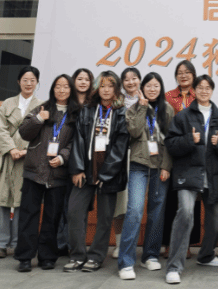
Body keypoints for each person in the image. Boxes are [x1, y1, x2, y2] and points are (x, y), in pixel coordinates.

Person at [164, 74, 218, 284]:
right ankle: (174, 267)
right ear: (194, 90)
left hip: (213, 174)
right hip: (188, 173)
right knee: (185, 213)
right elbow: (171, 144)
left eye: (207, 87)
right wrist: (189, 140)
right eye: (200, 87)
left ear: (212, 90)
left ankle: (206, 255)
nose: (203, 91)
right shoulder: (183, 116)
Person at [64, 71, 130, 273]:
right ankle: (77, 256)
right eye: (102, 86)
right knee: (74, 211)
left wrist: (106, 174)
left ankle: (95, 256)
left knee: (105, 218)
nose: (106, 90)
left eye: (110, 86)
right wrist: (77, 168)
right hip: (85, 171)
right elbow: (78, 140)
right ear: (96, 88)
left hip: (108, 175)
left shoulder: (121, 112)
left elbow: (120, 147)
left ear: (116, 89)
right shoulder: (87, 110)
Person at [14, 74, 79, 271]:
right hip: (34, 170)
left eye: (65, 86)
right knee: (28, 215)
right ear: (53, 89)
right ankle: (25, 257)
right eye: (58, 86)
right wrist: (38, 120)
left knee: (52, 216)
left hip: (58, 173)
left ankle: (47, 256)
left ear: (71, 90)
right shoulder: (42, 108)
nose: (61, 90)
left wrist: (63, 157)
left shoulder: (76, 113)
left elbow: (76, 142)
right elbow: (24, 133)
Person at [118, 72, 174, 279]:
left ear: (161, 88)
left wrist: (167, 166)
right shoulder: (133, 108)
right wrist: (142, 107)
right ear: (142, 87)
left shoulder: (167, 109)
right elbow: (133, 132)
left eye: (156, 85)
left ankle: (150, 255)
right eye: (148, 85)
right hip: (139, 164)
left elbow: (171, 140)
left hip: (160, 166)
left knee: (157, 212)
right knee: (134, 210)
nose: (152, 89)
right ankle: (126, 262)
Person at [0, 66, 43, 258]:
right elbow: (1, 130)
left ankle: (18, 242)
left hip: (29, 159)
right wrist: (12, 149)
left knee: (23, 201)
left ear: (37, 83)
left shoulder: (42, 105)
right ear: (19, 82)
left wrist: (25, 151)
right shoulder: (7, 103)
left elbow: (43, 134)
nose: (28, 83)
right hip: (8, 157)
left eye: (32, 80)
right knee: (3, 200)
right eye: (25, 80)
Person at [162, 61, 200, 258]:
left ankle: (187, 244)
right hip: (174, 151)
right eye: (180, 72)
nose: (183, 75)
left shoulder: (199, 95)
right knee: (171, 201)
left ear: (193, 75)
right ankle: (169, 243)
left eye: (187, 72)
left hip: (193, 154)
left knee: (191, 202)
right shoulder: (168, 96)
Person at [57, 68, 94, 257]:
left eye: (86, 79)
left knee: (79, 206)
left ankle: (76, 244)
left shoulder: (93, 104)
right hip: (62, 160)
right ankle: (61, 243)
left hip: (83, 163)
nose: (83, 82)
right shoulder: (67, 102)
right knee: (63, 204)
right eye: (79, 78)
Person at [112, 67, 142, 257]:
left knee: (136, 203)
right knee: (120, 201)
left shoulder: (147, 99)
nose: (131, 82)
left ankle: (131, 244)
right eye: (127, 79)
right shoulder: (117, 102)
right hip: (121, 155)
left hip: (142, 155)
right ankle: (118, 244)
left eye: (134, 78)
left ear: (140, 80)